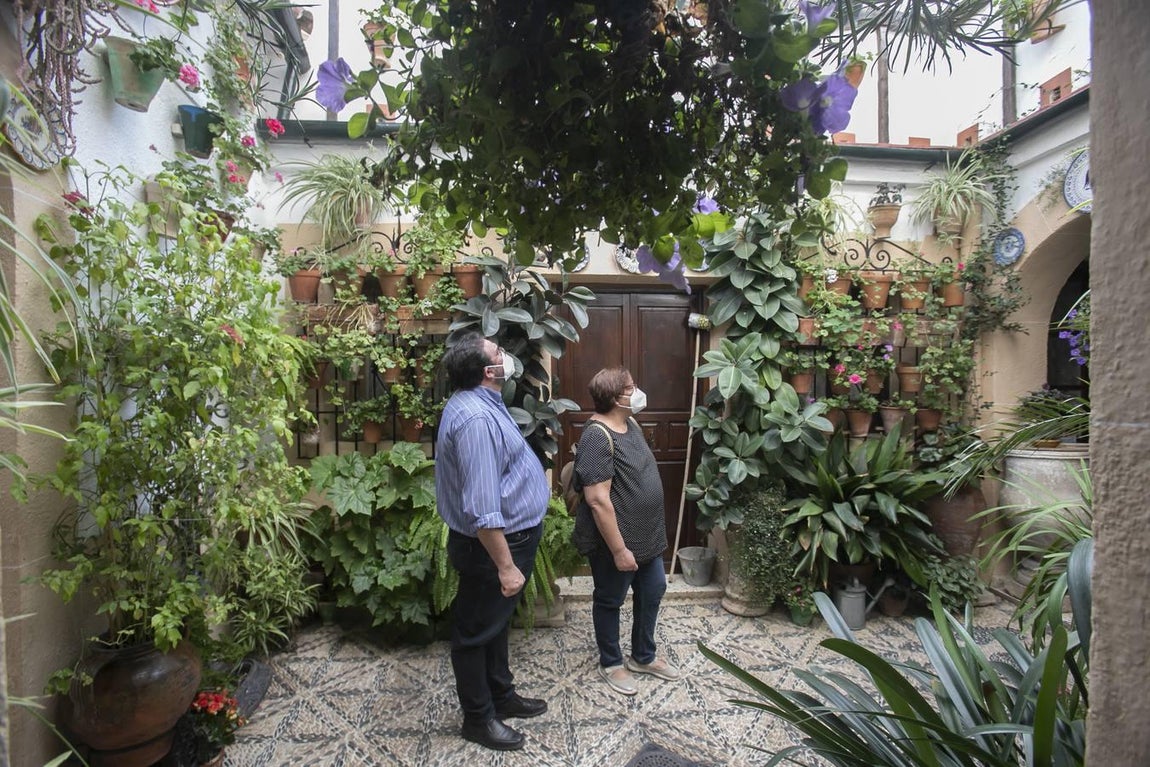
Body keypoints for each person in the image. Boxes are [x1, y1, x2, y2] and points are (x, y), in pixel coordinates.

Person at [435, 331, 551, 750]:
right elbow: (483, 509)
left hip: (509, 540)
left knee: (494, 626)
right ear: (489, 371)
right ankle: (479, 719)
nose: (507, 356)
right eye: (499, 353)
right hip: (493, 548)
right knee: (474, 633)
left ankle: (501, 696)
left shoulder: (481, 404)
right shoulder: (476, 420)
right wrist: (506, 565)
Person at [572, 367, 681, 696]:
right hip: (615, 543)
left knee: (653, 591)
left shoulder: (629, 422)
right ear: (614, 397)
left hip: (646, 537)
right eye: (631, 388)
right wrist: (619, 550)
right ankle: (612, 663)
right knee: (610, 599)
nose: (637, 392)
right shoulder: (596, 435)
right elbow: (597, 500)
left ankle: (643, 657)